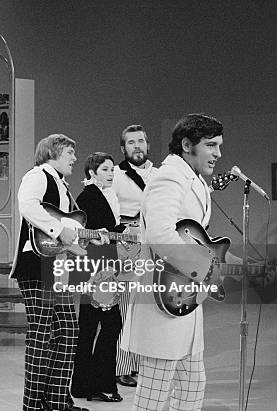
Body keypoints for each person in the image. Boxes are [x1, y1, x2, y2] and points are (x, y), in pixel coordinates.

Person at [121, 113, 237, 410]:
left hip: (185, 298)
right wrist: (207, 270)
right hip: (164, 299)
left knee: (191, 388)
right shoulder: (169, 177)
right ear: (187, 144)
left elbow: (197, 240)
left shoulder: (191, 178)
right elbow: (160, 235)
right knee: (153, 397)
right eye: (211, 145)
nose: (218, 154)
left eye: (219, 146)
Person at [11, 134, 90, 411]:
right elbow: (28, 206)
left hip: (56, 266)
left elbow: (68, 228)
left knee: (68, 330)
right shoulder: (38, 175)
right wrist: (60, 231)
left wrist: (89, 237)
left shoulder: (62, 185)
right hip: (36, 264)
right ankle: (33, 405)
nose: (74, 158)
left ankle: (56, 401)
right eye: (69, 152)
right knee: (42, 333)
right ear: (52, 153)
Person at [70, 152, 125, 403]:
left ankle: (85, 385)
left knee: (94, 325)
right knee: (104, 325)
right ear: (92, 173)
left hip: (105, 265)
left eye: (112, 169)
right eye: (105, 169)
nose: (111, 173)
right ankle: (96, 384)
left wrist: (123, 231)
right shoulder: (88, 196)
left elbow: (109, 228)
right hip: (94, 268)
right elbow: (84, 231)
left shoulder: (106, 195)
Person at [112, 124, 158, 388]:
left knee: (149, 307)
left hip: (152, 244)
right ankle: (122, 366)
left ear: (148, 145)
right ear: (123, 148)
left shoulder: (160, 174)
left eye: (141, 141)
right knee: (127, 308)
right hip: (127, 246)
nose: (137, 146)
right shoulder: (115, 175)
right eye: (131, 142)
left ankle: (144, 364)